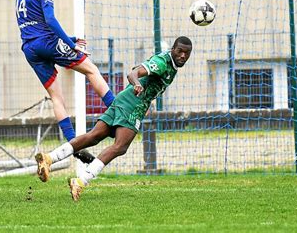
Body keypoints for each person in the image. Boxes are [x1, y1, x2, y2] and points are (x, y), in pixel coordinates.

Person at [35, 36, 193, 201]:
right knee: (120, 146)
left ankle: (49, 158)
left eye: (186, 53)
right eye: (179, 51)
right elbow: (133, 73)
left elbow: (139, 69)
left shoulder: (168, 64)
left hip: (124, 100)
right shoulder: (163, 62)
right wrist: (137, 85)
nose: (182, 55)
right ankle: (80, 181)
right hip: (132, 104)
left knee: (93, 137)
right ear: (173, 49)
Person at [15, 0, 115, 163]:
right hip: (47, 43)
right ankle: (118, 110)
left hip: (30, 48)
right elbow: (50, 20)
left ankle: (73, 145)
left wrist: (68, 38)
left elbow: (34, 24)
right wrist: (71, 44)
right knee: (91, 70)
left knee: (56, 97)